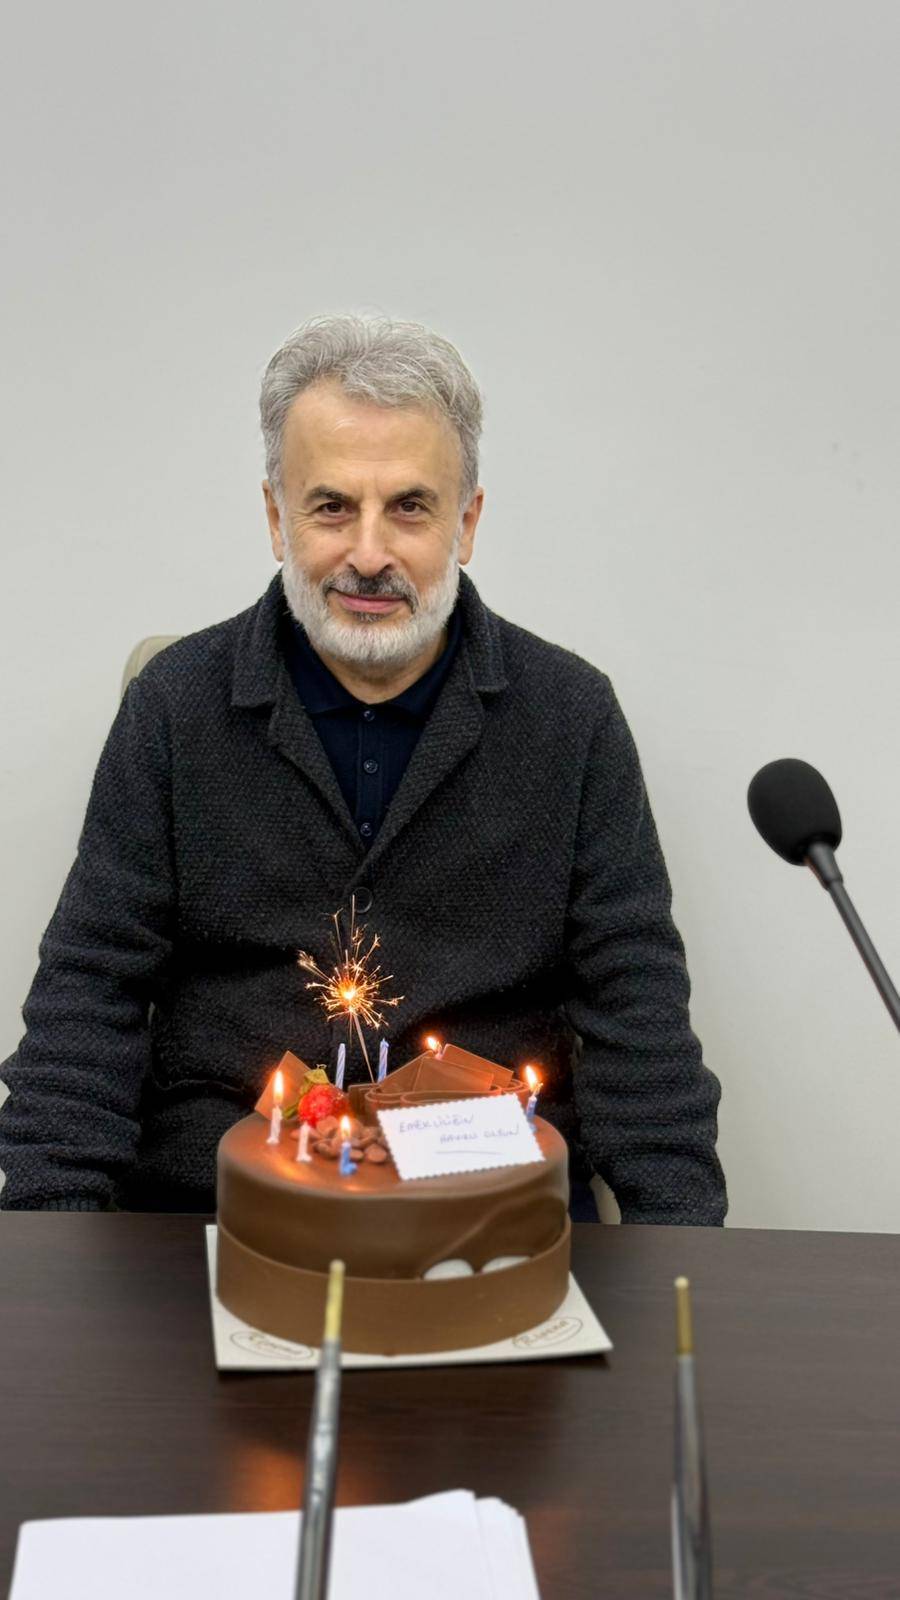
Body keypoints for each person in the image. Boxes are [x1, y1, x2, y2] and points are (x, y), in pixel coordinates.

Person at [0, 313, 727, 1223]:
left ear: (467, 522)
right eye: (332, 507)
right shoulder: (173, 708)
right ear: (277, 518)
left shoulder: (571, 717)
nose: (371, 554)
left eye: (411, 507)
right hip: (211, 1216)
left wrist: (681, 1253)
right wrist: (48, 1249)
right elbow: (89, 1000)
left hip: (490, 1218)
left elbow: (638, 1018)